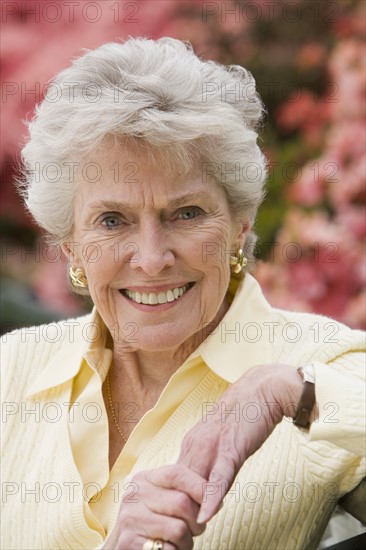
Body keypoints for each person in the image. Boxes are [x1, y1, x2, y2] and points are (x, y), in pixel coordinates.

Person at [1, 37, 365, 550]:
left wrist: (286, 391)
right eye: (112, 220)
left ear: (240, 224)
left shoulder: (317, 361)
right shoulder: (12, 368)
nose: (152, 259)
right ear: (71, 247)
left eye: (187, 213)